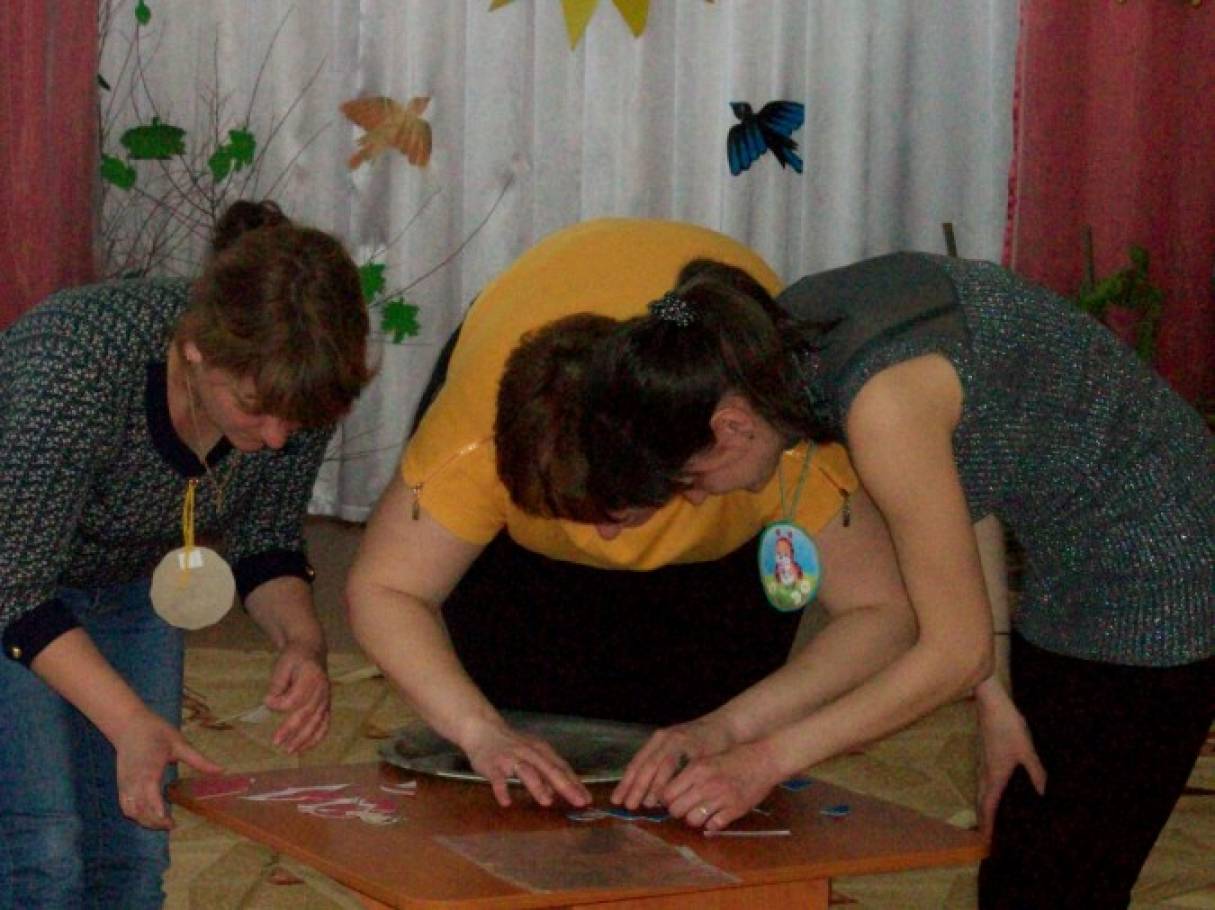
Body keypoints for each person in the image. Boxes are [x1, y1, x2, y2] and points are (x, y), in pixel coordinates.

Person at [580, 253, 1214, 908]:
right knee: (1025, 865)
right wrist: (995, 698)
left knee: (1057, 882)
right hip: (1079, 558)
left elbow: (954, 653)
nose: (695, 498)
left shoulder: (878, 401)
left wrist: (763, 759)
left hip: (1164, 579)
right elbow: (965, 476)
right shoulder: (783, 337)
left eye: (690, 479)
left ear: (730, 428)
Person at [345, 218, 919, 814]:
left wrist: (731, 727)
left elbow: (882, 612)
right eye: (575, 515)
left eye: (621, 511)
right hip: (526, 507)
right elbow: (386, 588)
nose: (602, 538)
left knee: (695, 762)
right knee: (520, 747)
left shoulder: (766, 438)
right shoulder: (474, 439)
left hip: (719, 496)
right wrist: (479, 729)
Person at [0, 199, 372, 908]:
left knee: (134, 845)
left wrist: (301, 640)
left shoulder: (292, 387)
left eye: (296, 420)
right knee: (38, 852)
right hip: (10, 577)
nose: (276, 437)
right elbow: (14, 586)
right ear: (196, 351)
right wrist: (129, 720)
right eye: (255, 409)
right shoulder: (77, 364)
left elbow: (266, 537)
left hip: (127, 579)